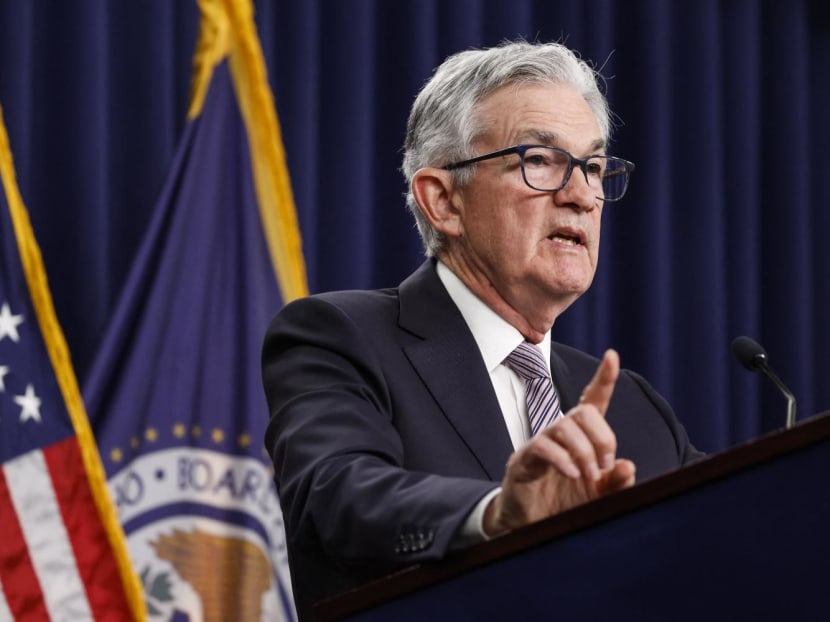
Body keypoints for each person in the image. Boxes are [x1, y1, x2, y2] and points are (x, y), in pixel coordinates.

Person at [262, 39, 703, 621]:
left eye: (593, 167)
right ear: (443, 201)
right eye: (540, 161)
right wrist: (497, 514)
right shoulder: (339, 337)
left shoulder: (633, 408)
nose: (580, 196)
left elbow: (728, 539)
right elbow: (339, 495)